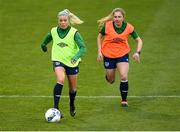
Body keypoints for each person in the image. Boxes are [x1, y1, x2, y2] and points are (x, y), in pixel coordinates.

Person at [40, 9, 86, 117]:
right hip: (58, 60)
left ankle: (72, 104)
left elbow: (83, 48)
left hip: (72, 62)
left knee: (73, 89)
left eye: (65, 20)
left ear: (68, 20)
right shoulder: (53, 31)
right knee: (60, 79)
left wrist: (76, 57)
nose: (63, 22)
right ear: (58, 21)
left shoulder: (75, 33)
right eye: (60, 20)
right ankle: (56, 108)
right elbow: (44, 41)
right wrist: (43, 46)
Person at [97, 8, 143, 107]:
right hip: (108, 55)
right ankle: (109, 75)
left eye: (119, 17)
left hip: (122, 54)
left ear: (123, 18)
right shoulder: (107, 25)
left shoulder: (129, 27)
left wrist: (138, 53)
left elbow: (139, 40)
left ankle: (124, 100)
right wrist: (99, 52)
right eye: (115, 17)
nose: (117, 19)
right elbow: (99, 37)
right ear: (113, 18)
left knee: (124, 76)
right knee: (111, 80)